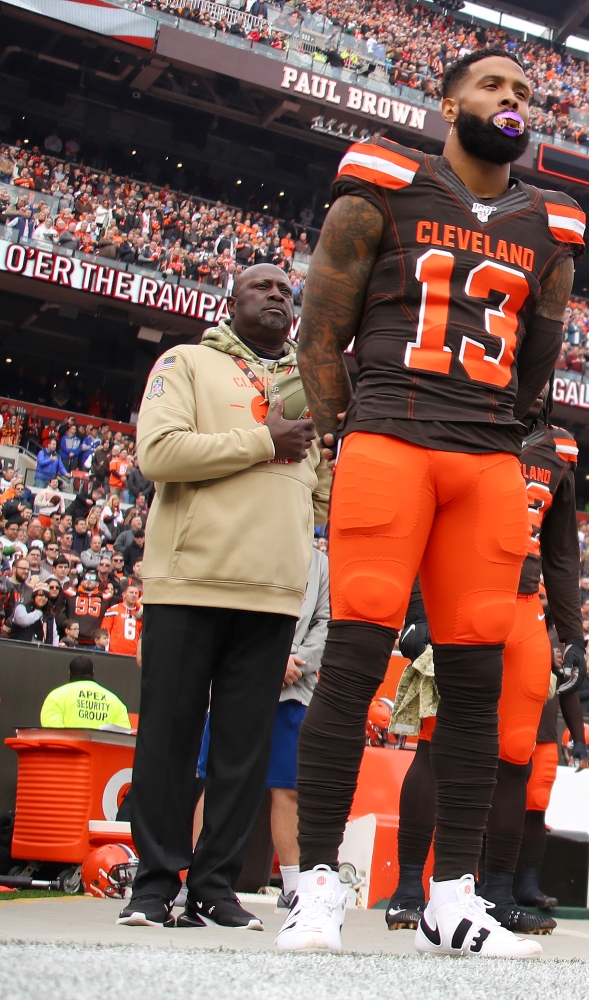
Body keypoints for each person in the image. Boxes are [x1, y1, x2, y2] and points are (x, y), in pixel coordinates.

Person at [280, 46, 583, 959]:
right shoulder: (385, 182)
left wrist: (491, 430)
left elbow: (539, 368)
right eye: (493, 86)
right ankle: (317, 885)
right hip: (391, 438)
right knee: (356, 660)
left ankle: (453, 897)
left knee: (477, 687)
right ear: (447, 100)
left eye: (524, 92)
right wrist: (349, 431)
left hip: (486, 456)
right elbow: (321, 332)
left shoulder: (550, 223)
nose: (511, 101)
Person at [118, 263, 324, 932]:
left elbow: (316, 493)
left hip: (271, 594)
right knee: (170, 739)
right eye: (259, 286)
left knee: (243, 754)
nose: (275, 294)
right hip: (192, 577)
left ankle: (214, 887)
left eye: (284, 290)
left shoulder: (308, 388)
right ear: (229, 302)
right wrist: (265, 440)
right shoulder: (186, 364)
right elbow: (159, 452)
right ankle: (152, 886)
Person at [474, 414, 589, 935]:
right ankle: (418, 888)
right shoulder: (468, 410)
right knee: (446, 748)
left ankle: (497, 892)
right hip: (465, 588)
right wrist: (417, 609)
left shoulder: (558, 449)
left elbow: (563, 553)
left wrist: (575, 635)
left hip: (525, 602)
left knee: (516, 761)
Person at [270, 546, 330, 910]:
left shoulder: (320, 561)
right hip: (241, 680)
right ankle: (198, 875)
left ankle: (293, 886)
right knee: (218, 779)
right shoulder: (255, 535)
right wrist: (271, 659)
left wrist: (296, 663)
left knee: (286, 788)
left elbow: (326, 621)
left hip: (295, 688)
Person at [39, 655, 129, 729]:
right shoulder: (115, 701)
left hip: (69, 750)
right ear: (93, 673)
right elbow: (122, 733)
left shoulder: (56, 696)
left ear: (69, 673)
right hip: (100, 750)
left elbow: (52, 731)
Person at [99, 584, 144, 659]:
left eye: (136, 593)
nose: (134, 595)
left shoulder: (141, 613)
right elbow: (105, 631)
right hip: (114, 653)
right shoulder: (113, 610)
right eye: (131, 592)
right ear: (124, 594)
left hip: (134, 655)